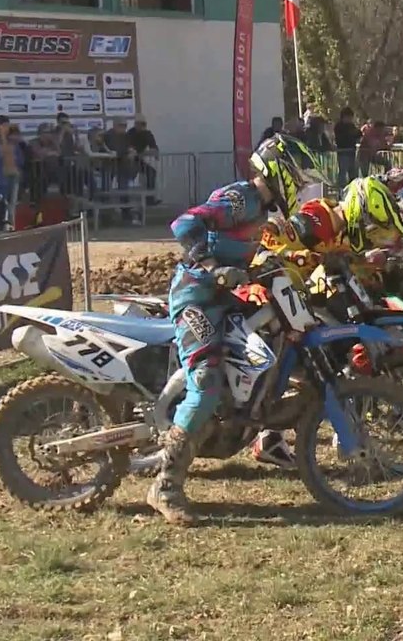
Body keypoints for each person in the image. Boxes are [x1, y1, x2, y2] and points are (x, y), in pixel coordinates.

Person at [151, 133, 310, 525]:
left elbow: (250, 251)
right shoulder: (241, 198)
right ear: (281, 170)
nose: (302, 184)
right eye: (298, 175)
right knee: (206, 383)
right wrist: (209, 266)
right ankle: (165, 484)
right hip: (196, 297)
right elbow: (185, 224)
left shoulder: (263, 211)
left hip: (226, 298)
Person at [0, 115, 21, 208]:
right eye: (4, 125)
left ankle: (11, 221)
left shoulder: (13, 140)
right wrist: (2, 137)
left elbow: (19, 157)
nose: (7, 128)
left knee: (13, 202)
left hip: (14, 173)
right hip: (1, 175)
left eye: (7, 125)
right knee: (2, 201)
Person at [333, 107, 362, 189]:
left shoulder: (351, 126)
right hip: (343, 152)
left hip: (352, 152)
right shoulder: (339, 126)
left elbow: (358, 134)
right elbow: (342, 138)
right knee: (343, 172)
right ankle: (341, 190)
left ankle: (354, 188)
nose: (350, 119)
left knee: (353, 172)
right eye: (349, 117)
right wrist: (351, 134)